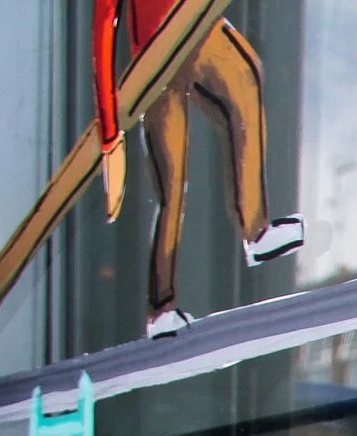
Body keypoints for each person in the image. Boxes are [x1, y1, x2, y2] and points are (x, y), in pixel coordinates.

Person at [93, 0, 305, 339]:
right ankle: (162, 306)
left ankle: (255, 231)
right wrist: (108, 130)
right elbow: (104, 23)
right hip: (160, 48)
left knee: (244, 79)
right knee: (171, 182)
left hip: (183, 28)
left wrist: (108, 129)